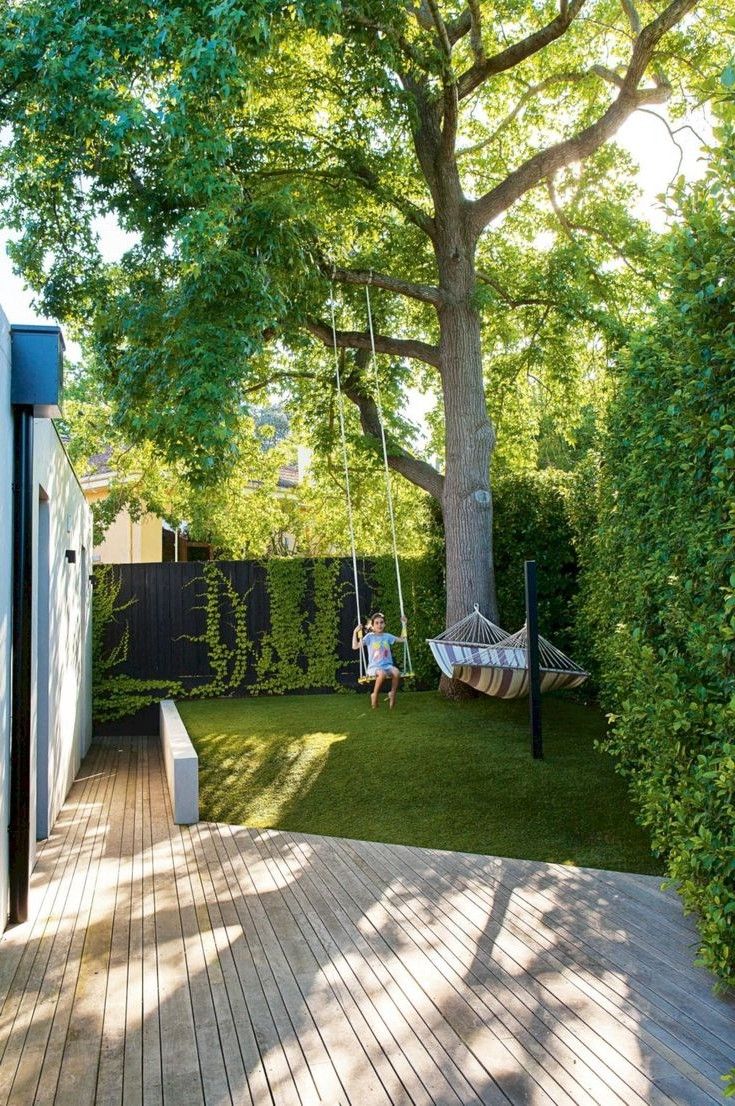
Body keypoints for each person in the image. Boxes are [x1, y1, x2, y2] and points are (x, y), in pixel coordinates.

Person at [352, 611, 407, 709]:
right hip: (374, 667)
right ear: (372, 626)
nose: (379, 625)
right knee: (381, 674)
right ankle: (374, 694)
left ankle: (392, 693)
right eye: (376, 623)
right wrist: (355, 632)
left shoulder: (387, 636)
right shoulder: (370, 637)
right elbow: (355, 646)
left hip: (387, 666)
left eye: (381, 622)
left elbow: (403, 639)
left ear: (384, 624)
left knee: (397, 672)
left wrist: (404, 625)